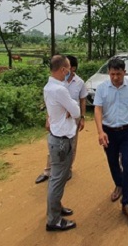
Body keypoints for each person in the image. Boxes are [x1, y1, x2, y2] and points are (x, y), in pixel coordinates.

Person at [93, 57, 128, 220]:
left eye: (118, 74)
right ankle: (119, 184)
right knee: (113, 162)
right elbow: (98, 109)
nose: (115, 77)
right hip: (109, 131)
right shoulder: (102, 88)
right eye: (112, 74)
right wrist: (100, 131)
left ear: (124, 72)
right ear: (109, 72)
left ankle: (127, 202)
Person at [35, 55, 88, 184]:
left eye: (71, 68)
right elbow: (51, 102)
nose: (69, 71)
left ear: (73, 68)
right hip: (58, 119)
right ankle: (48, 171)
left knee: (72, 146)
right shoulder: (57, 82)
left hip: (73, 119)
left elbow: (82, 101)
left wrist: (82, 118)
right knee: (54, 146)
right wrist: (48, 117)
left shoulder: (80, 83)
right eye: (67, 67)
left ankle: (68, 170)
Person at [43, 55, 81, 232]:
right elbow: (76, 111)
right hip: (61, 141)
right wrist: (71, 106)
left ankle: (55, 209)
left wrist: (69, 108)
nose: (70, 72)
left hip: (56, 136)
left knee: (56, 178)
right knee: (58, 179)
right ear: (63, 70)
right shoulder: (60, 90)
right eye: (68, 69)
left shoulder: (50, 86)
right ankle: (54, 220)